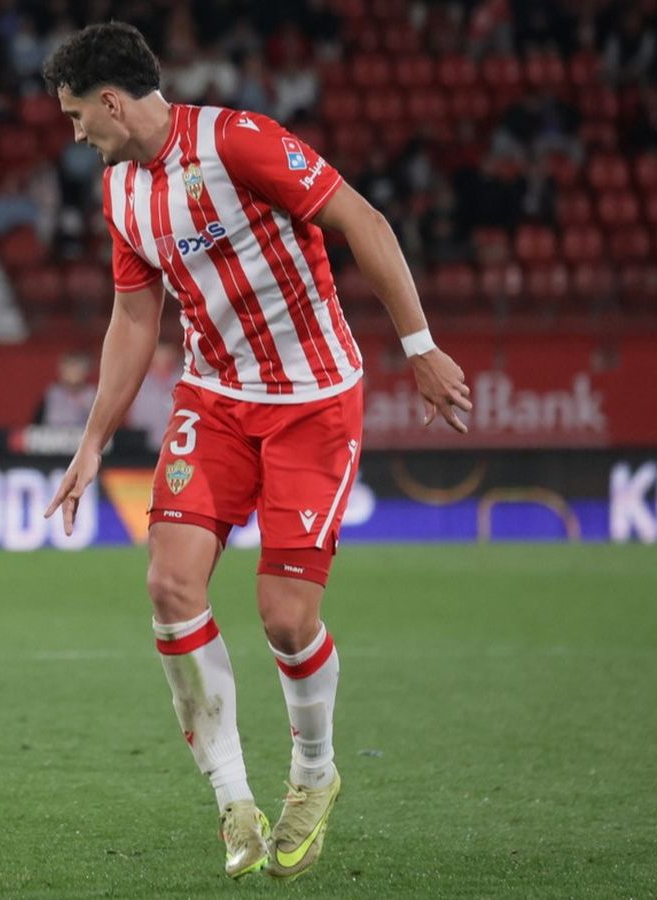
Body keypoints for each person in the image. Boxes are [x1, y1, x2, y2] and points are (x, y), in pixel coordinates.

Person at [40, 24, 470, 881]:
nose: (75, 132)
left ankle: (314, 775)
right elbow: (134, 317)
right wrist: (92, 441)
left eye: (76, 114)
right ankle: (234, 800)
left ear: (112, 102)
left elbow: (362, 218)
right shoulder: (120, 193)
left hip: (314, 400)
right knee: (169, 586)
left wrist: (419, 346)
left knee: (285, 617)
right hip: (215, 399)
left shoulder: (238, 142)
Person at [124, 342, 181, 453]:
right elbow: (129, 417)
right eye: (159, 358)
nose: (163, 361)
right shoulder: (138, 382)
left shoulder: (182, 379)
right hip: (143, 448)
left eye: (167, 358)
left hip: (178, 447)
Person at [32, 350, 96, 428]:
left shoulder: (92, 395)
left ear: (87, 371)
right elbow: (37, 423)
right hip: (53, 433)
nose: (73, 373)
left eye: (77, 368)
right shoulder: (52, 393)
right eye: (69, 368)